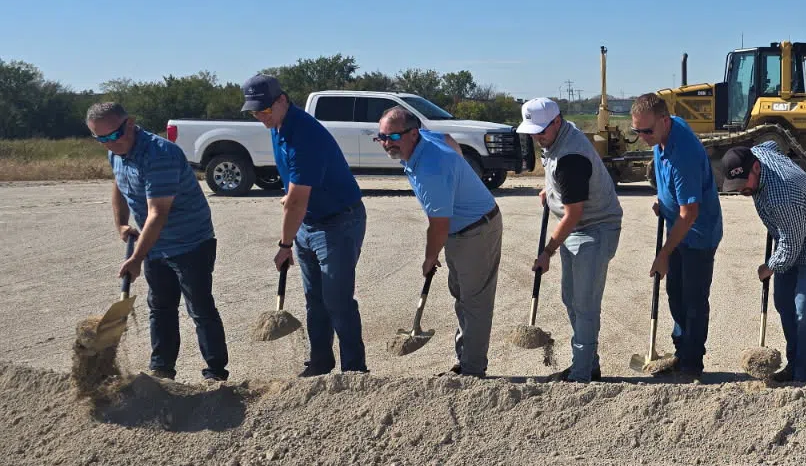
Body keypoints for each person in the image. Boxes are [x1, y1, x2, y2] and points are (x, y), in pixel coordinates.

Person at [87, 102, 229, 381]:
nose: (108, 144)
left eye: (112, 136)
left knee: (199, 307)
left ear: (130, 124)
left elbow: (157, 214)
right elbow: (119, 186)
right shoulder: (116, 153)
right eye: (99, 139)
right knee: (160, 307)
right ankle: (162, 369)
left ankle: (215, 373)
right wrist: (122, 225)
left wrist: (136, 258)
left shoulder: (160, 154)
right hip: (155, 245)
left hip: (191, 242)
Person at [243, 74, 368, 376]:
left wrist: (284, 245)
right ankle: (320, 363)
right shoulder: (278, 126)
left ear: (282, 100)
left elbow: (298, 199)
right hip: (308, 222)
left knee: (337, 300)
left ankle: (355, 371)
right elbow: (295, 192)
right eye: (255, 112)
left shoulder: (305, 136)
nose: (261, 117)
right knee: (315, 299)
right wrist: (291, 205)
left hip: (339, 221)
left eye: (265, 110)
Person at [378, 106, 503, 378]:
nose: (387, 143)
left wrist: (429, 257)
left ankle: (471, 370)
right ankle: (466, 361)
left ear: (413, 134)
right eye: (382, 137)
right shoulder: (425, 141)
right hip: (460, 230)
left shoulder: (431, 169)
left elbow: (438, 225)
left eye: (393, 138)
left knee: (474, 302)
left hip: (476, 230)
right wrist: (458, 175)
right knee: (462, 297)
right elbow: (447, 138)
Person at [720, 142, 806, 384]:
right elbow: (772, 143)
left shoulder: (782, 196)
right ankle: (794, 362)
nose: (741, 190)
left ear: (757, 169)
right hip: (793, 230)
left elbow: (791, 244)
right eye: (735, 186)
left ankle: (803, 374)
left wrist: (769, 266)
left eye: (744, 184)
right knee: (783, 300)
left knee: (805, 310)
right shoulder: (757, 152)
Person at [519, 97, 624, 383]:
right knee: (571, 298)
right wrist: (550, 191)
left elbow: (574, 213)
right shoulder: (557, 138)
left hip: (594, 228)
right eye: (532, 131)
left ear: (557, 121)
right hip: (577, 228)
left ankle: (581, 375)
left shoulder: (571, 158)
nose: (537, 136)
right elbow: (555, 171)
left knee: (585, 304)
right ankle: (588, 364)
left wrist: (547, 252)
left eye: (541, 130)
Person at [631, 93, 722, 383]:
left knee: (693, 299)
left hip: (697, 233)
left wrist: (663, 254)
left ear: (665, 121)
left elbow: (690, 213)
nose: (643, 137)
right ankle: (680, 353)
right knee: (675, 294)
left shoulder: (683, 154)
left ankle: (692, 363)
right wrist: (664, 200)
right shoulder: (666, 131)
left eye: (648, 131)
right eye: (637, 131)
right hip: (678, 225)